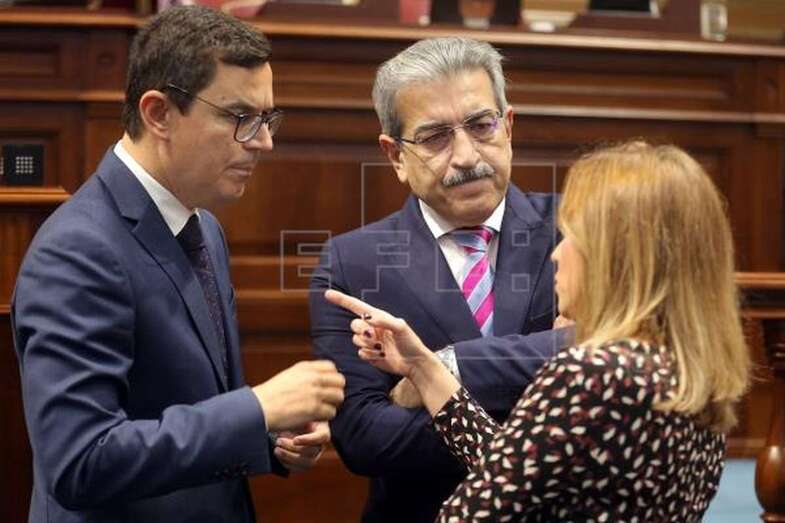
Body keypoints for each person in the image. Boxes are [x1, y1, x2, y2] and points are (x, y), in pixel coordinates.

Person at [11, 6, 344, 522]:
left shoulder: (202, 227)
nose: (264, 141)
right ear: (159, 113)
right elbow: (81, 461)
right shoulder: (77, 249)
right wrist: (255, 410)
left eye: (267, 118)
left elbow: (193, 403)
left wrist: (269, 436)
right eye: (241, 118)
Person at [326, 141, 751, 521]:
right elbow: (516, 471)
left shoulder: (592, 373)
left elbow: (468, 511)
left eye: (575, 236)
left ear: (620, 259)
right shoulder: (698, 368)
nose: (556, 255)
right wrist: (424, 366)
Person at [309, 37, 568, 522]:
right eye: (435, 138)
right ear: (395, 156)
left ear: (508, 126)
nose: (467, 155)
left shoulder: (576, 229)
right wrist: (547, 416)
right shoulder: (353, 263)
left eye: (481, 125)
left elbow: (618, 346)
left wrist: (439, 371)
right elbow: (366, 439)